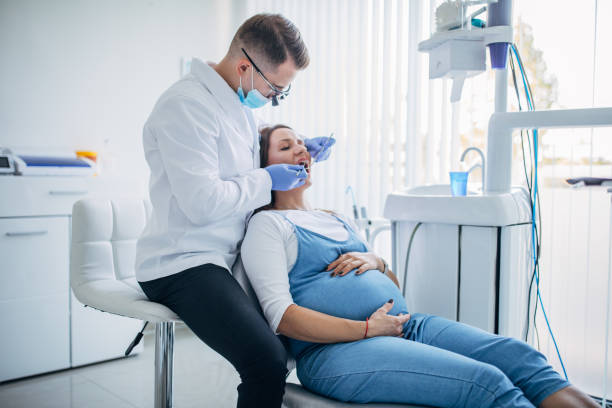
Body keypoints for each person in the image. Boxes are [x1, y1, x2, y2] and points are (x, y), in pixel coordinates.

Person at [241, 124, 599, 408]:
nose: (301, 149)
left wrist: (376, 260)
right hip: (335, 351)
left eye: (301, 143)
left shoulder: (335, 218)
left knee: (521, 358)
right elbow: (282, 317)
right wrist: (366, 328)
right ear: (263, 169)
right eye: (286, 146)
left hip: (406, 325)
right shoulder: (268, 226)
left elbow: (394, 286)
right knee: (487, 384)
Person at [134, 14, 335, 407]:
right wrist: (268, 179)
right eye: (275, 88)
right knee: (266, 359)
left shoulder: (237, 105)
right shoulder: (185, 106)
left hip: (225, 257)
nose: (275, 97)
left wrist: (302, 147)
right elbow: (203, 204)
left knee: (292, 337)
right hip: (183, 263)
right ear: (245, 66)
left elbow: (246, 161)